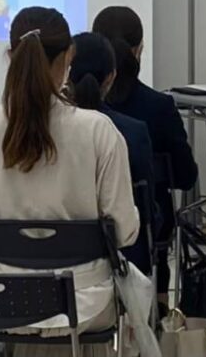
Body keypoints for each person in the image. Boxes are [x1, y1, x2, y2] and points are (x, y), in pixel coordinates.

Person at [0, 7, 146, 354]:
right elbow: (122, 231)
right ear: (69, 57)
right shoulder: (98, 131)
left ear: (11, 55)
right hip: (83, 304)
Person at [91, 6, 198, 302]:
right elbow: (186, 177)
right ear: (139, 49)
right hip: (147, 236)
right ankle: (157, 309)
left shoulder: (75, 114)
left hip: (83, 234)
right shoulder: (159, 107)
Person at [69, 31, 157, 275]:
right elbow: (146, 211)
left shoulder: (45, 132)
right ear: (111, 77)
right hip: (120, 264)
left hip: (51, 263)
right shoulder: (132, 132)